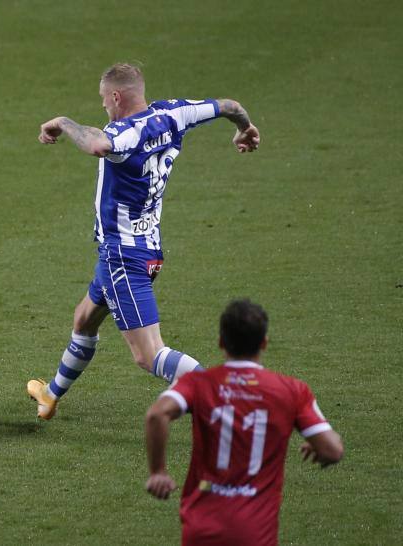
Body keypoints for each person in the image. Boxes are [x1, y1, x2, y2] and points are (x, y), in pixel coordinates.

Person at [27, 63, 261, 420]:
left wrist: (61, 122)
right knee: (84, 320)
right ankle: (51, 395)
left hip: (124, 255)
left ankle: (231, 403)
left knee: (149, 355)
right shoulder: (174, 112)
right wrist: (245, 129)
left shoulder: (124, 133)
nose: (105, 107)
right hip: (142, 248)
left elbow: (97, 145)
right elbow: (229, 105)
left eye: (105, 100)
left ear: (116, 97)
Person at [144, 299, 344, 545]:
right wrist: (319, 444)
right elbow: (333, 450)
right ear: (264, 343)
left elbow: (156, 415)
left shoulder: (198, 383)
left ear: (220, 342)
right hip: (255, 533)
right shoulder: (292, 391)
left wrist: (158, 472)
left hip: (201, 529)